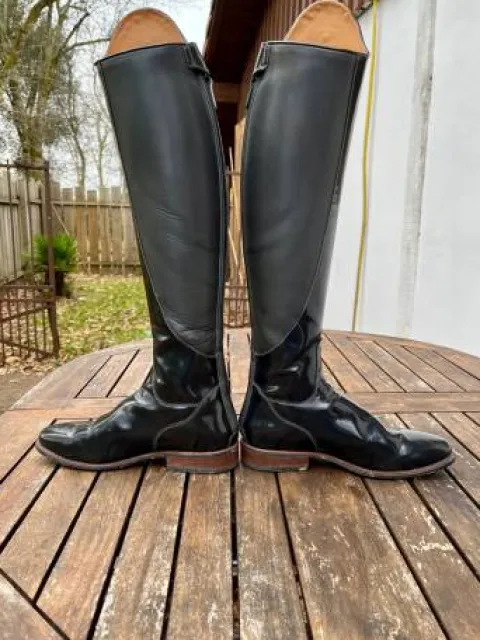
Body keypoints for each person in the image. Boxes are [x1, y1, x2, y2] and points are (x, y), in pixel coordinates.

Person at [36, 2, 453, 479]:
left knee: (314, 63)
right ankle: (209, 401)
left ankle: (264, 402)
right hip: (233, 413)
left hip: (258, 414)